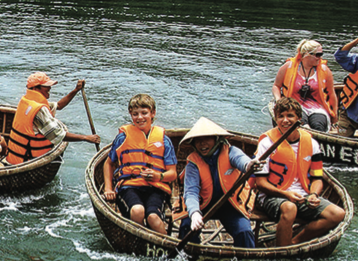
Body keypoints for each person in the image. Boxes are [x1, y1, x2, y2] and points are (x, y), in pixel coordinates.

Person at [254, 97, 345, 247]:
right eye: (281, 116)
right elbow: (260, 183)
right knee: (290, 208)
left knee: (337, 214)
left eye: (290, 116)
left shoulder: (312, 143)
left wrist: (314, 195)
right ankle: (282, 252)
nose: (285, 120)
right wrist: (286, 195)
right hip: (272, 196)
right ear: (276, 119)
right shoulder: (267, 143)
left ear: (299, 119)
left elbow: (317, 178)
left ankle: (294, 242)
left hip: (303, 196)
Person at [177, 117, 259, 248]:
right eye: (198, 141)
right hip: (203, 204)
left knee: (244, 232)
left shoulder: (231, 152)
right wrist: (194, 213)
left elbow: (242, 161)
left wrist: (250, 165)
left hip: (231, 204)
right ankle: (189, 260)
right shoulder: (193, 162)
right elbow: (191, 191)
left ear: (216, 139)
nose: (202, 144)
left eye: (207, 139)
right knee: (187, 227)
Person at [102, 94, 177, 235]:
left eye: (144, 113)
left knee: (153, 218)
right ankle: (138, 242)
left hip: (155, 188)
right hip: (129, 186)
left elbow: (172, 173)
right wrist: (108, 189)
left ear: (153, 113)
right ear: (130, 115)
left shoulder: (164, 141)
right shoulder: (122, 138)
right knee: (137, 210)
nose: (140, 117)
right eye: (135, 114)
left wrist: (157, 176)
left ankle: (168, 250)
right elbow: (109, 163)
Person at [5, 72, 100, 165]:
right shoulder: (39, 110)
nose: (49, 88)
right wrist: (86, 138)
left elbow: (59, 105)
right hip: (28, 160)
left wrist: (76, 90)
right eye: (46, 86)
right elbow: (58, 135)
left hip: (15, 158)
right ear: (35, 88)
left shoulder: (26, 100)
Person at [272, 39, 337, 132]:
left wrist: (334, 115)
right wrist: (278, 100)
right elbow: (276, 86)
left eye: (321, 54)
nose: (320, 58)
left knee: (318, 125)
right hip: (294, 105)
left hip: (317, 107)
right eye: (317, 55)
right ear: (307, 54)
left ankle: (316, 144)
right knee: (302, 124)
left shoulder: (325, 70)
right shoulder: (288, 66)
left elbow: (331, 93)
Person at [333, 36, 358, 137]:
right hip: (349, 112)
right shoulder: (357, 60)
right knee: (341, 143)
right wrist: (356, 41)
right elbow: (340, 56)